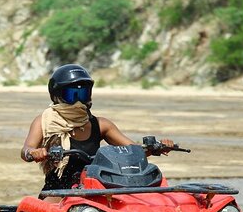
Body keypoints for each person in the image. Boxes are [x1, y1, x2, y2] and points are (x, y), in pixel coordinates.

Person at [21, 64, 173, 192]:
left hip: (96, 188)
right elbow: (25, 150)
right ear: (57, 95)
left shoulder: (101, 125)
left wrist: (156, 147)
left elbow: (133, 151)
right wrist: (33, 152)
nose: (78, 101)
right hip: (59, 192)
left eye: (83, 94)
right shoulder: (43, 121)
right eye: (72, 94)